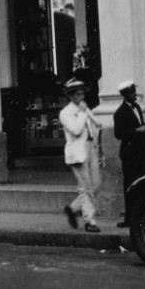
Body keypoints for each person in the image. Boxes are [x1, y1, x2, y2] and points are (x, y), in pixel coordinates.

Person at [112, 80, 145, 228]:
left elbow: (139, 127)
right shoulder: (120, 112)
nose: (134, 94)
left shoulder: (136, 107)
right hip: (130, 154)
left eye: (134, 91)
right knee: (130, 186)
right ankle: (130, 219)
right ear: (124, 95)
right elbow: (118, 134)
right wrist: (138, 131)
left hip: (142, 151)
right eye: (131, 93)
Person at [59, 78, 101, 233]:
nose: (81, 97)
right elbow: (76, 130)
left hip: (90, 149)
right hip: (77, 153)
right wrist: (83, 113)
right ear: (70, 96)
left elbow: (96, 123)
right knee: (86, 188)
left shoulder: (84, 108)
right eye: (78, 94)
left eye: (82, 94)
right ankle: (90, 221)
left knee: (96, 185)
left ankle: (72, 208)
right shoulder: (65, 113)